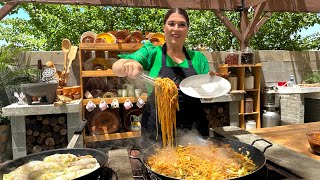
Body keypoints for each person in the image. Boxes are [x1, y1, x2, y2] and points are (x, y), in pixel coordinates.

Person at [112, 8, 210, 148]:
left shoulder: (198, 58)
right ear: (164, 27)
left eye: (182, 25)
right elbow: (117, 67)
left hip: (194, 127)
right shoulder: (152, 52)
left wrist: (213, 85)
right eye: (171, 23)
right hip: (157, 129)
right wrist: (129, 64)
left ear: (187, 29)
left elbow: (207, 94)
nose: (176, 29)